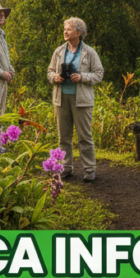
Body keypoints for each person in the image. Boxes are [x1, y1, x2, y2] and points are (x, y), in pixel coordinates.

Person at [47, 17, 105, 182]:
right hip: (61, 99)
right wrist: (54, 77)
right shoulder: (59, 51)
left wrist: (82, 77)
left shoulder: (89, 52)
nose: (65, 31)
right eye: (65, 29)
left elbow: (99, 74)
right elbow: (49, 71)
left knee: (84, 136)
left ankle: (89, 170)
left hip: (82, 100)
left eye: (69, 29)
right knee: (63, 137)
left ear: (78, 33)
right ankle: (65, 168)